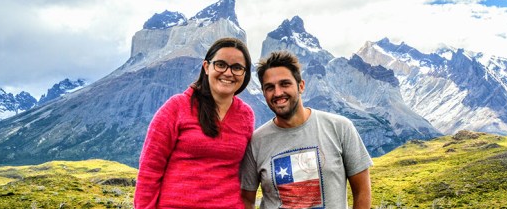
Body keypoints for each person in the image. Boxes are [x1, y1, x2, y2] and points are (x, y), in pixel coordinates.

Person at [240, 51, 372, 209]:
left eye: (285, 84)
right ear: (264, 93)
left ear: (301, 86)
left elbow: (362, 190)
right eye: (269, 87)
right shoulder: (256, 142)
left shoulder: (340, 127)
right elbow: (246, 199)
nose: (278, 93)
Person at [135, 37, 255, 209]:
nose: (228, 73)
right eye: (220, 64)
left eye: (237, 68)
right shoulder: (176, 107)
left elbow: (245, 171)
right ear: (206, 67)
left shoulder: (246, 115)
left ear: (245, 74)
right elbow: (150, 170)